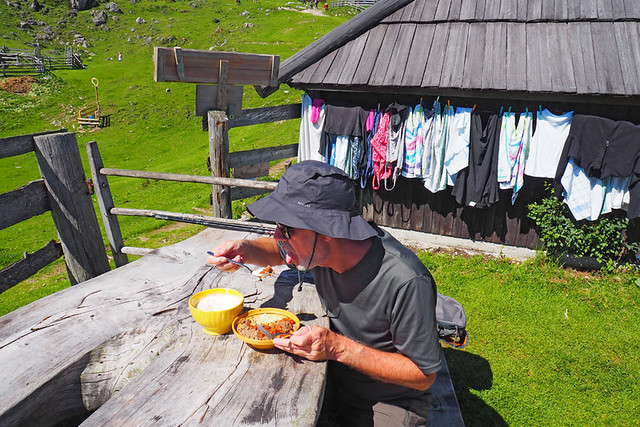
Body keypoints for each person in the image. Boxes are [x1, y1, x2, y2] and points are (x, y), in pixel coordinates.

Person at [208, 161, 441, 426]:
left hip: (388, 400)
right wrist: (246, 249)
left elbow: (423, 374)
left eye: (287, 228)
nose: (277, 234)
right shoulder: (318, 250)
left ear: (328, 229)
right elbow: (279, 250)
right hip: (332, 376)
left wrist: (338, 348)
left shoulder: (406, 280)